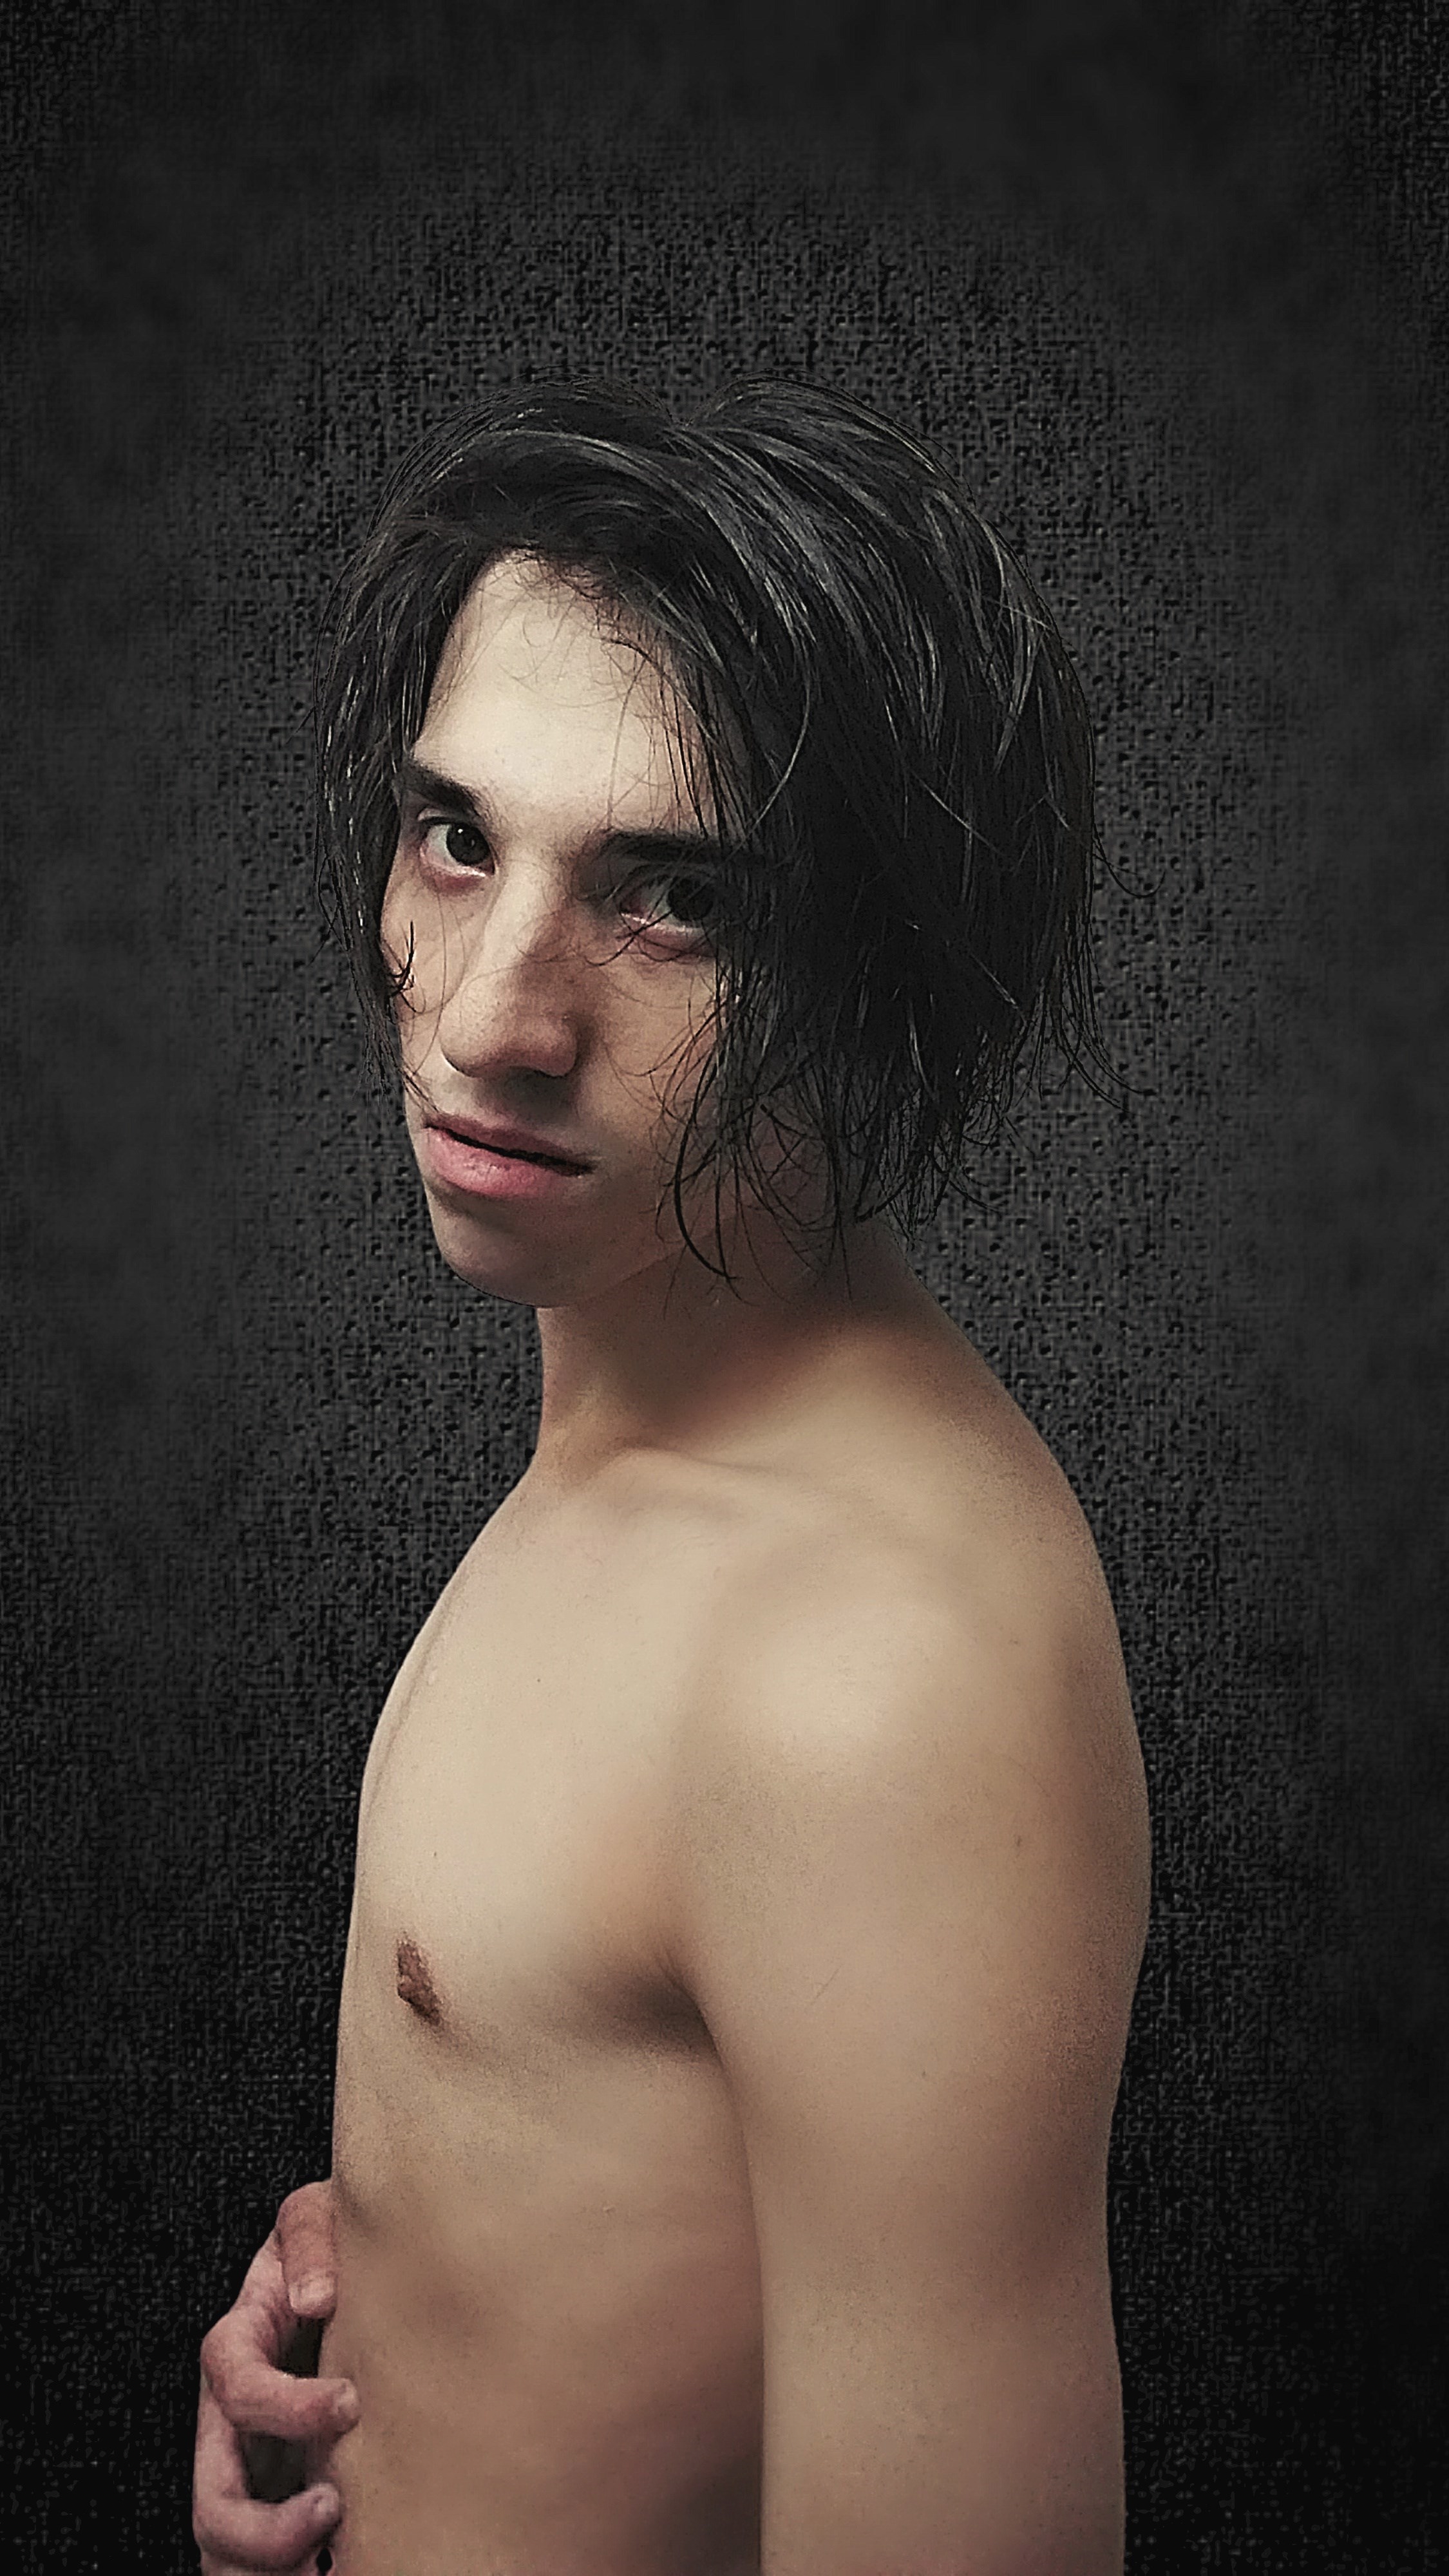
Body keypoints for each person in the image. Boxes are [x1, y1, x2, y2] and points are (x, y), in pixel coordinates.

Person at [192, 381, 1150, 2576]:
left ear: (890, 960)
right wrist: (399, 2337)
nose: (491, 1019)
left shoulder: (870, 1672)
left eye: (676, 900)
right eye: (457, 839)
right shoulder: (637, 1420)